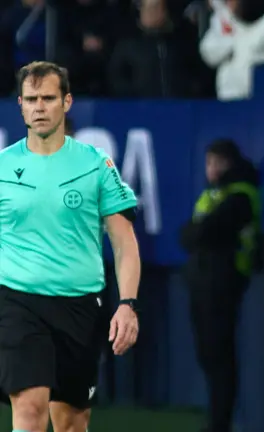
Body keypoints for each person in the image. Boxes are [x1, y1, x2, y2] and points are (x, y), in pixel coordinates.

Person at [0, 61, 141, 432]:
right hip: (17, 301)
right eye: (31, 99)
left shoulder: (95, 166)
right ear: (20, 104)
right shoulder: (2, 167)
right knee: (29, 408)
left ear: (66, 102)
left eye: (48, 98)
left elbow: (124, 242)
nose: (39, 107)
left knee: (71, 424)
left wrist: (127, 305)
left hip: (80, 306)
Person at [179, 139, 261, 432]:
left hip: (225, 283)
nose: (210, 169)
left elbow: (206, 231)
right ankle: (216, 418)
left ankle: (221, 422)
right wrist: (197, 234)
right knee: (208, 354)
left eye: (216, 163)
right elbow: (189, 234)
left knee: (220, 354)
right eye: (208, 162)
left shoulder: (241, 195)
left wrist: (198, 233)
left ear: (228, 163)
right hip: (203, 282)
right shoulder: (213, 195)